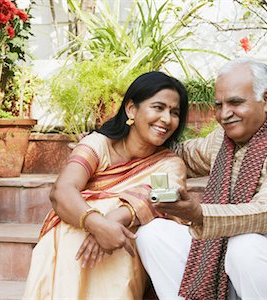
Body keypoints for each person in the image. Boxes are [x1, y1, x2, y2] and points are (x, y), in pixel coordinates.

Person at [136, 58, 267, 300]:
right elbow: (182, 154)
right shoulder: (222, 141)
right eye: (219, 105)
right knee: (154, 234)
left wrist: (199, 214)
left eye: (235, 103)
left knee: (246, 246)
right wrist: (120, 141)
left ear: (266, 100)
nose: (224, 114)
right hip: (222, 258)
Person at [23, 71, 189, 299]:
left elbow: (155, 199)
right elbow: (62, 190)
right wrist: (96, 224)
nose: (167, 119)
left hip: (121, 246)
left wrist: (110, 223)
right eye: (158, 107)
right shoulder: (99, 144)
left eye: (174, 112)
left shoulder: (170, 164)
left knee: (123, 238)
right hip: (76, 232)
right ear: (131, 109)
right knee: (71, 231)